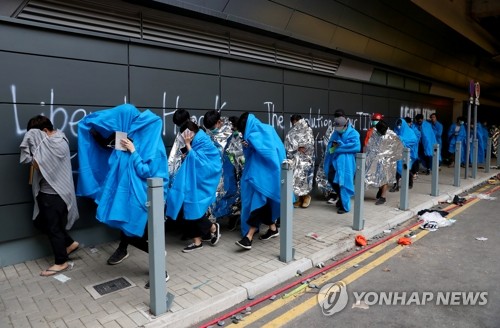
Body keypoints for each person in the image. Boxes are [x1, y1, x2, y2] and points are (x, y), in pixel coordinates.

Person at [76, 104, 169, 284]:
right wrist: (93, 134)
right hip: (134, 195)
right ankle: (150, 257)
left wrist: (133, 151)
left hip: (148, 197)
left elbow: (146, 171)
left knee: (142, 234)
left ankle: (160, 271)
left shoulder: (151, 144)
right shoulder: (129, 134)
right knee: (131, 231)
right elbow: (109, 147)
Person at [20, 115, 79, 277]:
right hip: (50, 193)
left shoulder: (56, 144)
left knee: (53, 229)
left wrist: (34, 147)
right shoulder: (59, 138)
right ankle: (70, 243)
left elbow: (39, 165)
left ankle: (61, 262)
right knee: (41, 222)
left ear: (45, 131)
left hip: (53, 194)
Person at [166, 121, 222, 252]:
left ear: (188, 132)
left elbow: (202, 162)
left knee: (191, 207)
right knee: (189, 207)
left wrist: (187, 146)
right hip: (195, 180)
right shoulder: (199, 138)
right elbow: (197, 158)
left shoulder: (201, 140)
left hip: (202, 181)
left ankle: (209, 230)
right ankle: (201, 237)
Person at [235, 112, 286, 250]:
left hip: (266, 174)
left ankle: (248, 237)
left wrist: (251, 143)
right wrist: (248, 146)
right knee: (263, 203)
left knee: (258, 202)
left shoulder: (263, 130)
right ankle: (273, 229)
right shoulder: (262, 130)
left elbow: (269, 152)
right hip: (261, 173)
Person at [203, 110, 241, 223]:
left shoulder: (231, 131)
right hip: (214, 169)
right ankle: (216, 217)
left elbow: (237, 152)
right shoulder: (209, 132)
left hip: (228, 168)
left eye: (212, 127)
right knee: (216, 194)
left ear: (219, 122)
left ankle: (232, 215)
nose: (211, 131)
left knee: (229, 191)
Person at [323, 116, 361, 214]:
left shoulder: (353, 133)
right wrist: (336, 147)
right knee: (333, 180)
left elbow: (356, 147)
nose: (337, 128)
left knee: (344, 183)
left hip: (347, 163)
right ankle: (341, 199)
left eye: (339, 126)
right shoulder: (336, 133)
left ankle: (345, 206)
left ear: (345, 125)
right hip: (334, 162)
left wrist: (340, 147)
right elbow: (331, 148)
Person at [365, 120, 403, 205]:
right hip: (377, 159)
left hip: (388, 161)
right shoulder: (375, 133)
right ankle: (381, 189)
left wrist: (389, 156)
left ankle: (383, 196)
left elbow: (399, 148)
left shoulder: (392, 135)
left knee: (385, 177)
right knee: (377, 176)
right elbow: (371, 145)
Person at [285, 114, 315, 208]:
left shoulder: (307, 130)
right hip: (296, 159)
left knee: (304, 179)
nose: (295, 124)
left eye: (296, 122)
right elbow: (288, 143)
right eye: (293, 123)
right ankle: (300, 199)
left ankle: (306, 197)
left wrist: (302, 148)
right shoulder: (292, 132)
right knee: (297, 179)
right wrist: (296, 148)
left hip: (305, 159)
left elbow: (310, 143)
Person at [390, 118, 418, 191]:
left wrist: (402, 140)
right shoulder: (396, 131)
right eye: (398, 125)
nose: (399, 126)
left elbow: (414, 140)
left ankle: (410, 182)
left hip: (407, 154)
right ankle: (396, 185)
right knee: (396, 169)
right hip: (397, 153)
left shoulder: (410, 132)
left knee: (405, 168)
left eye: (400, 125)